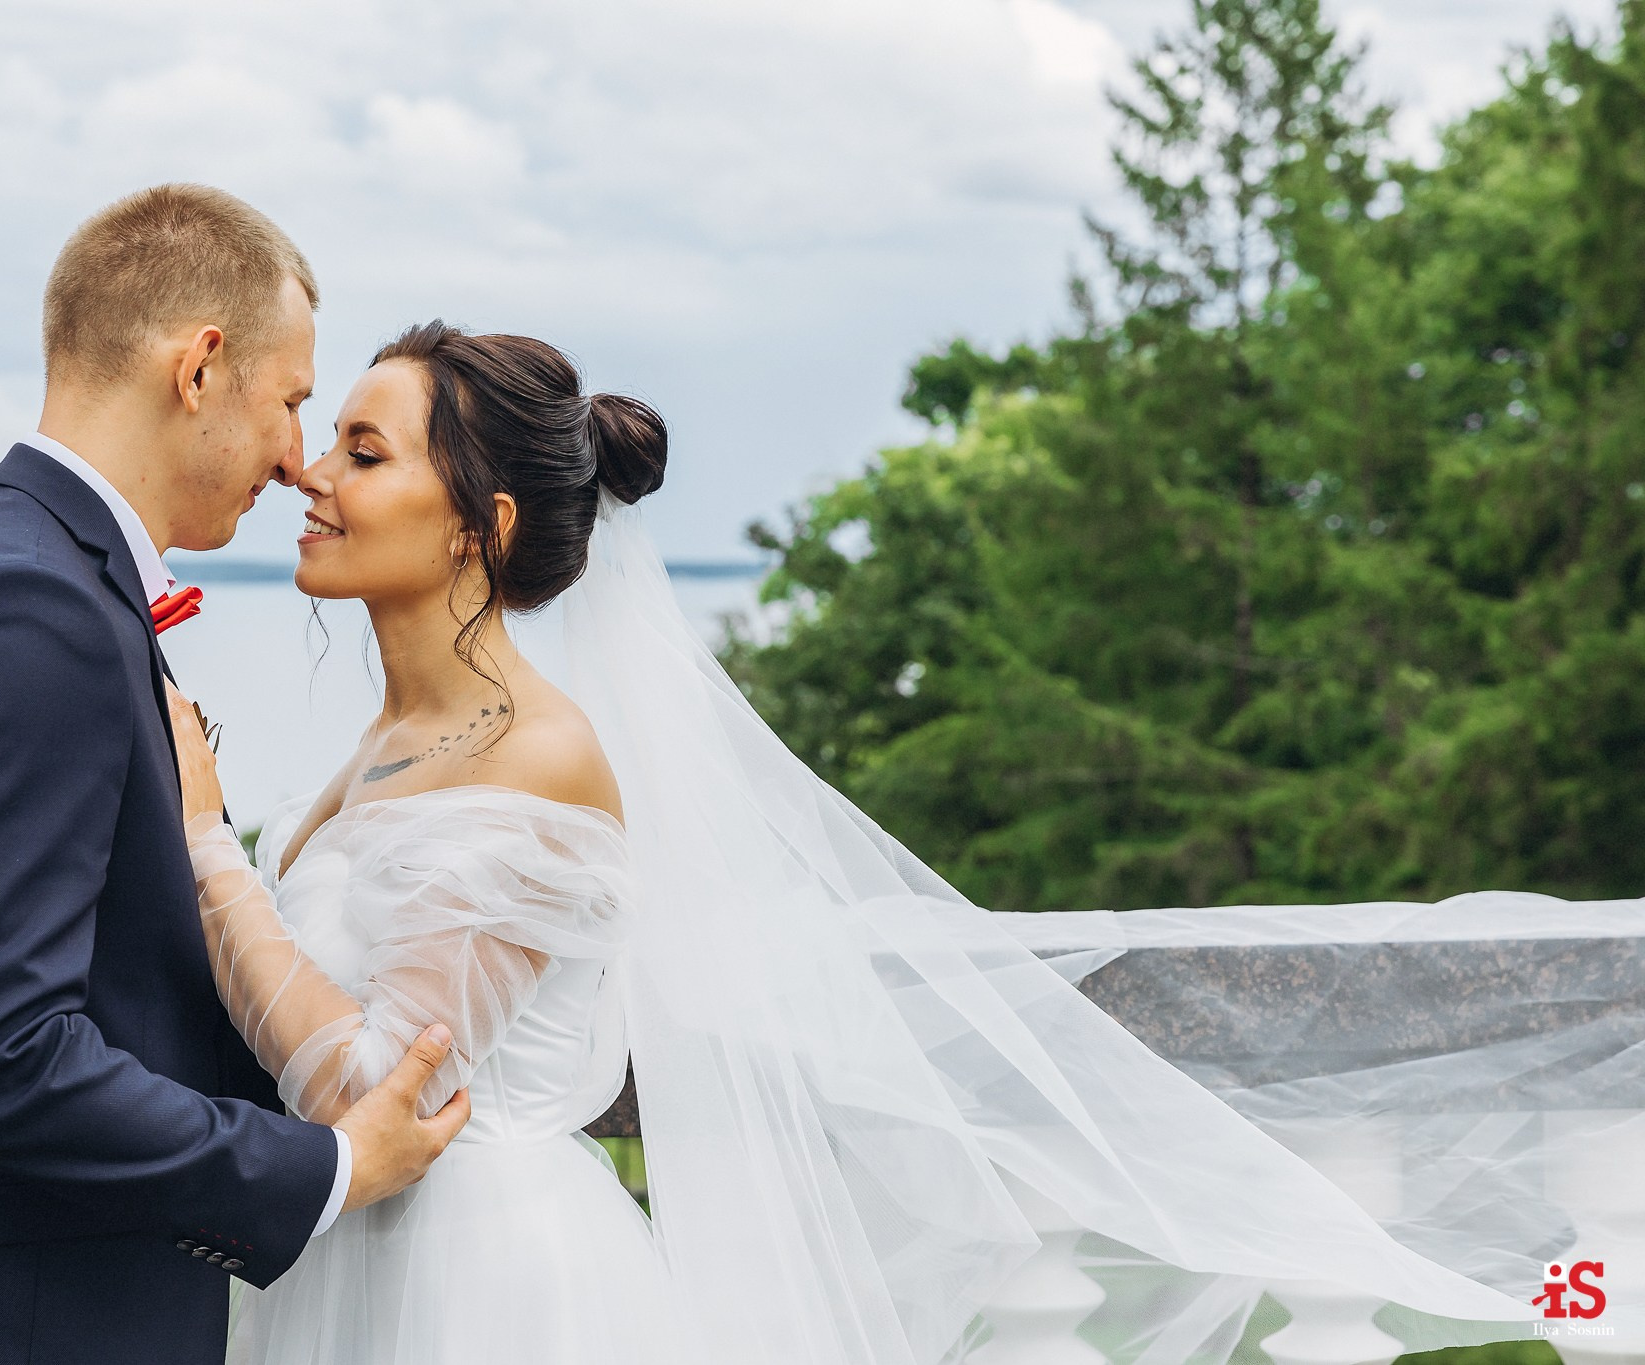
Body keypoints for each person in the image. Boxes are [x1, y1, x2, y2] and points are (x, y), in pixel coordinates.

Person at [163, 321, 1554, 1365]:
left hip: (476, 1295)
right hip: (335, 1274)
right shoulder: (380, 743)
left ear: (484, 522)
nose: (310, 473)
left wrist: (207, 839)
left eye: (362, 450)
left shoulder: (538, 758)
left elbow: (372, 1085)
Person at [0, 185, 468, 1365]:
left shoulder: (18, 569)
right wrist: (329, 1165)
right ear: (198, 369)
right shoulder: (28, 607)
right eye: (292, 403)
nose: (294, 459)